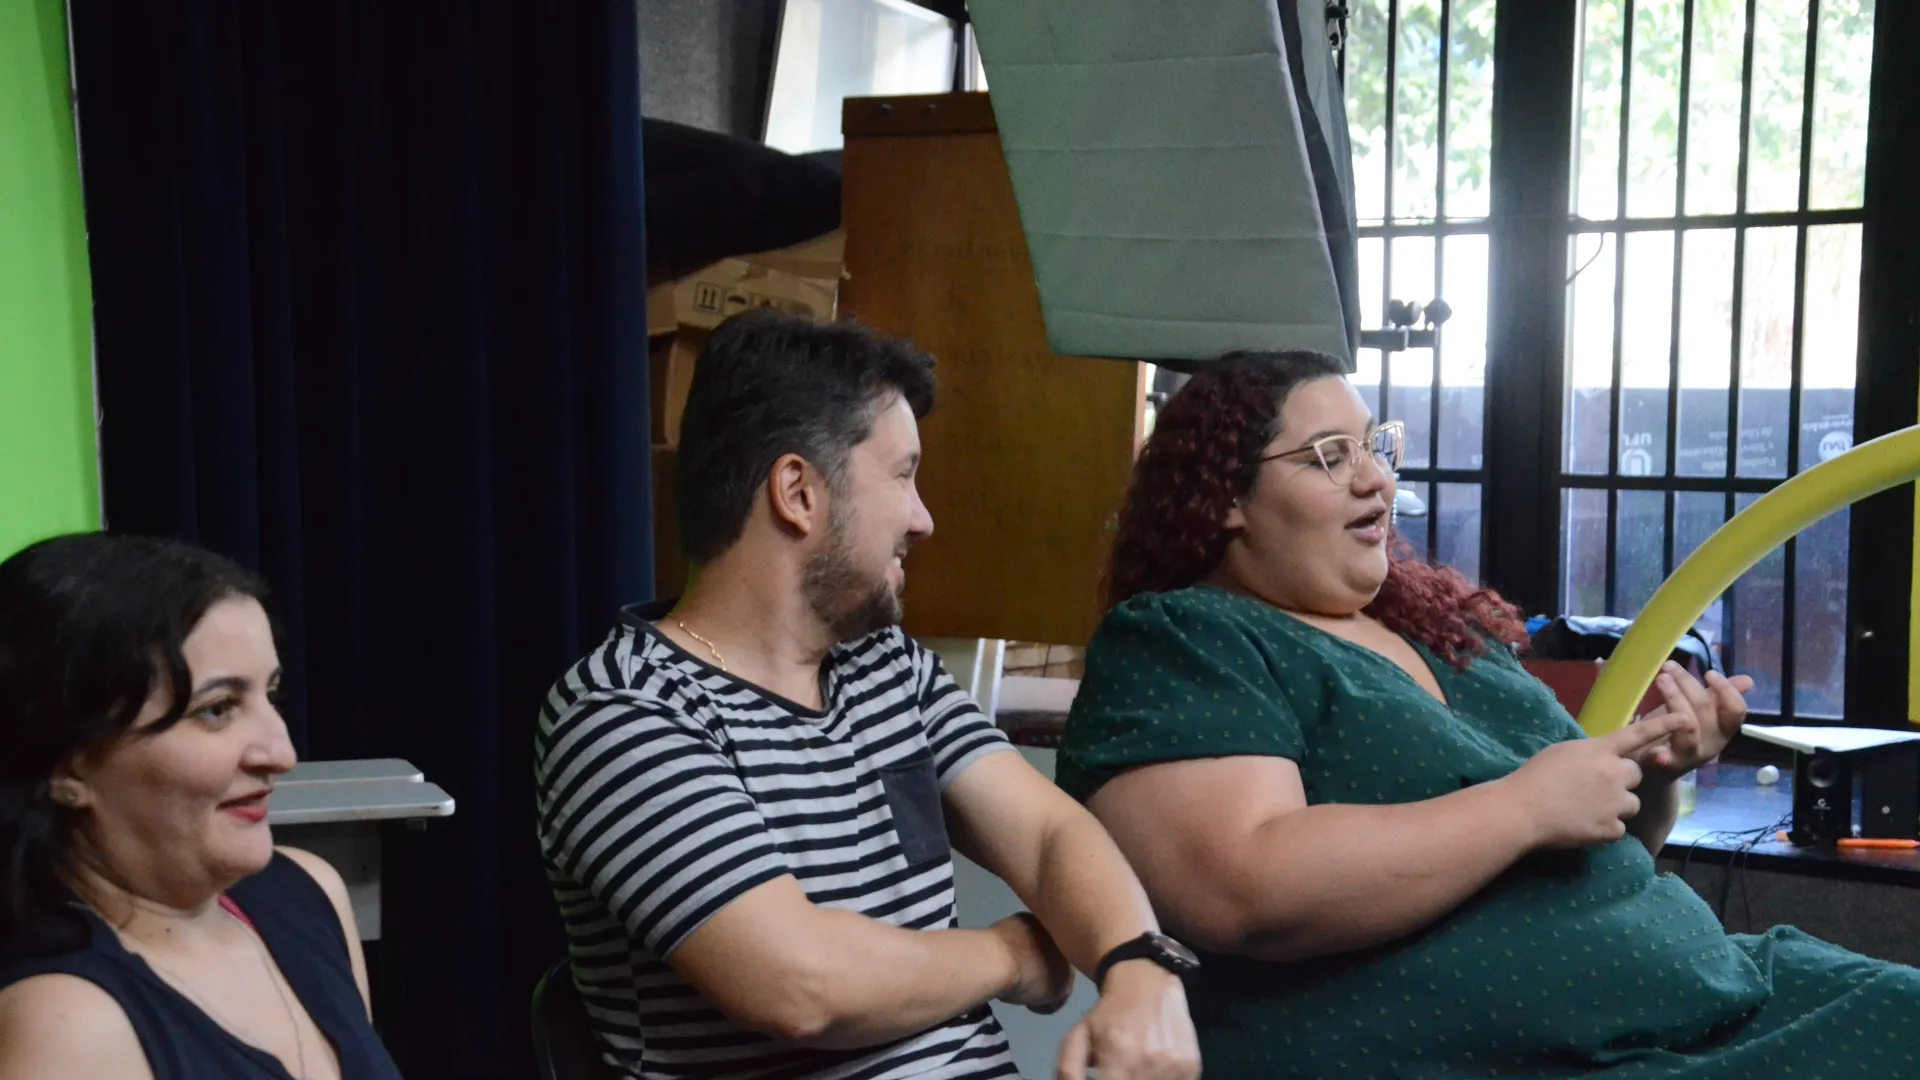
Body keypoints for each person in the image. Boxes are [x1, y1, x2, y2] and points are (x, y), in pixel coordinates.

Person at [1056, 349, 1920, 1079]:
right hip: (1560, 1059)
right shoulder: (1186, 637)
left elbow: (1586, 859)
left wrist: (1653, 779)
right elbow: (1238, 888)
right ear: (1226, 495)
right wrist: (1525, 805)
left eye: (1374, 446)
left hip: (1721, 997)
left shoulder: (1442, 633)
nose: (1375, 477)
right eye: (1328, 456)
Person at [535, 310, 1201, 1080]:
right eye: (903, 474)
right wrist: (1012, 955)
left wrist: (1139, 966)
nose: (924, 519)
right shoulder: (623, 713)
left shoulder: (886, 666)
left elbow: (1050, 834)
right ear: (798, 492)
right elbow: (800, 985)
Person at [0, 534, 401, 1080]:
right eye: (216, 709)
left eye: (270, 694)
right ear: (67, 766)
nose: (281, 753)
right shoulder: (69, 1027)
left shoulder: (310, 894)